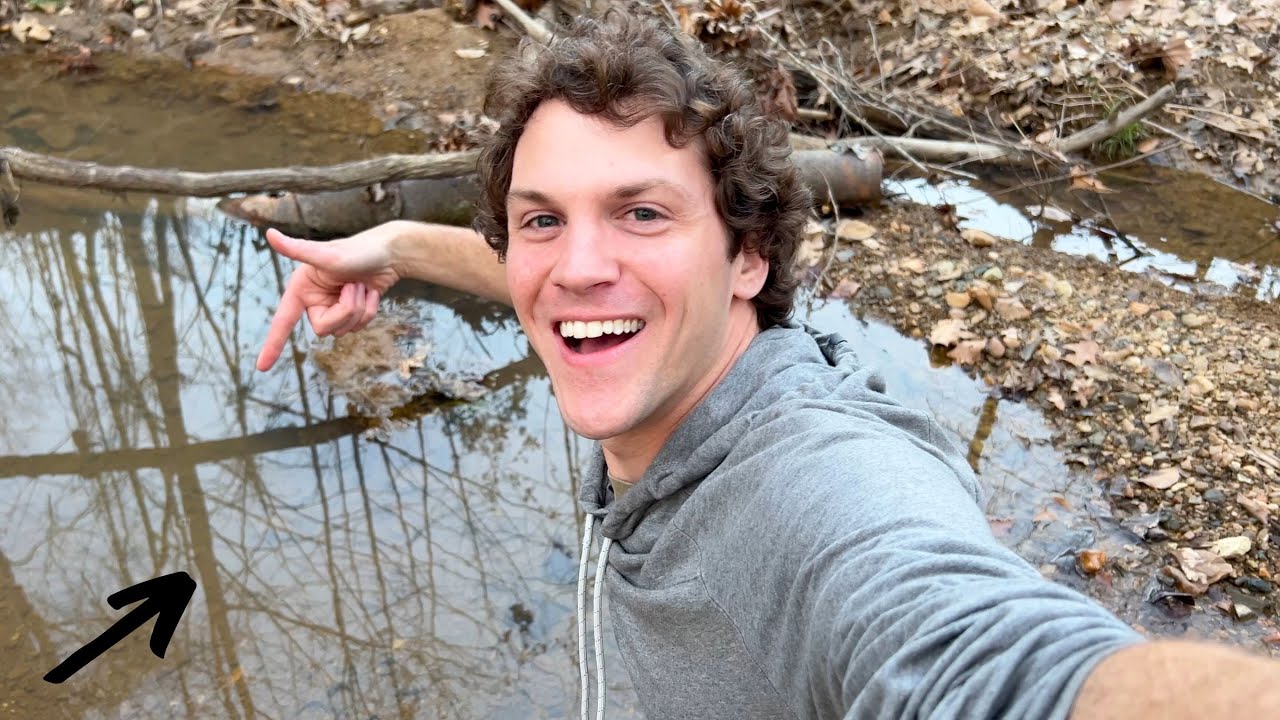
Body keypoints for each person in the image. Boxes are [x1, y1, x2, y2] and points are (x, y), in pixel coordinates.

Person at [255, 15, 1280, 720]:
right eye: (541, 221)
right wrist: (397, 246)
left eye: (640, 212)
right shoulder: (683, 343)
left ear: (747, 254)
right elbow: (564, 283)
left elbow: (993, 664)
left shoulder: (812, 492)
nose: (576, 268)